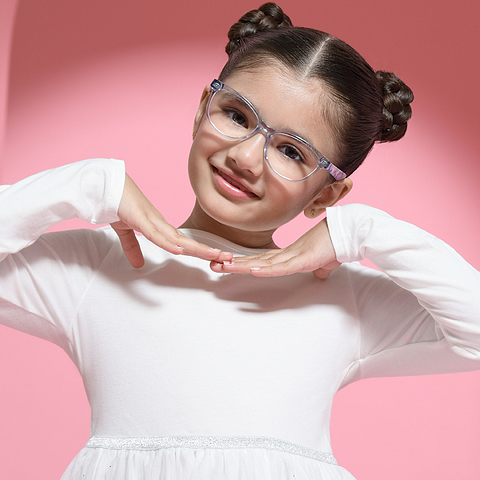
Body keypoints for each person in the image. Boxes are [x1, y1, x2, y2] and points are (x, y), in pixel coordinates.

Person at [1, 3, 479, 479]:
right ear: (200, 112)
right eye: (236, 115)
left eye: (291, 151)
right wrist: (90, 186)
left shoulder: (340, 298)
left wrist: (361, 230)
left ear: (326, 195)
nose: (246, 158)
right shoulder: (98, 268)